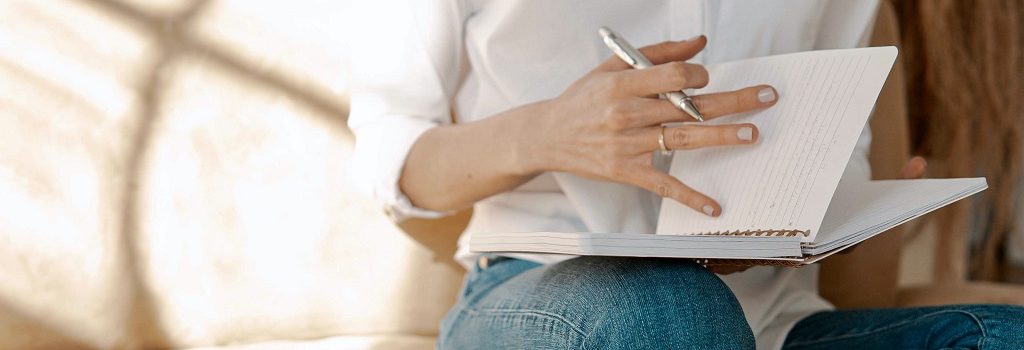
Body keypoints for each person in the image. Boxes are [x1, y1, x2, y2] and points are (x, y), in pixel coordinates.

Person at [348, 1, 1024, 349]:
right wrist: (545, 132)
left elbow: (851, 274)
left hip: (777, 320)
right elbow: (393, 160)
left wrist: (836, 214)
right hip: (540, 294)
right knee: (672, 309)